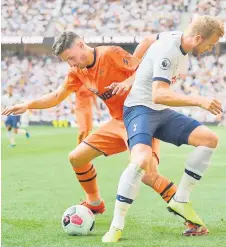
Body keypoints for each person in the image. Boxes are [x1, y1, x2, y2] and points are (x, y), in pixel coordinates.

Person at [2, 32, 195, 234]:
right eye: (67, 61)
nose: (71, 64)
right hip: (118, 122)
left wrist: (129, 83)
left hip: (142, 117)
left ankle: (191, 219)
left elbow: (144, 69)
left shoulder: (111, 54)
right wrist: (28, 104)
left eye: (71, 58)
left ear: (80, 45)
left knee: (149, 176)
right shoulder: (78, 72)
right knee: (76, 158)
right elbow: (58, 95)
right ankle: (94, 202)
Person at [102, 15, 224, 242]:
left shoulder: (175, 37)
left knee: (209, 139)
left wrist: (132, 76)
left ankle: (181, 199)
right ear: (198, 37)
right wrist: (199, 100)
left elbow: (149, 39)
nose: (211, 48)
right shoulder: (169, 50)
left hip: (161, 111)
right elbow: (159, 94)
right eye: (211, 43)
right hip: (140, 109)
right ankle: (116, 226)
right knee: (140, 162)